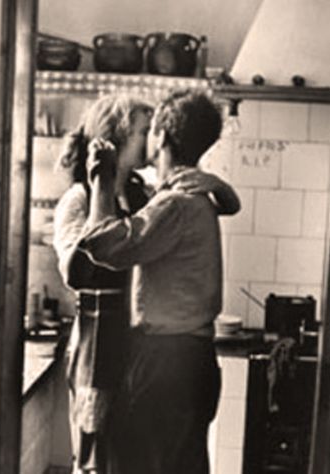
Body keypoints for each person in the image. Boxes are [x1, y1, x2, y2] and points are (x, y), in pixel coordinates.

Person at [53, 92, 239, 474]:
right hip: (103, 352)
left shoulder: (158, 198)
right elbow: (78, 270)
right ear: (118, 136)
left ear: (162, 136)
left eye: (150, 127)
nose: (147, 137)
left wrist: (216, 184)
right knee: (102, 461)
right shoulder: (86, 198)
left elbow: (107, 243)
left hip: (157, 358)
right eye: (141, 129)